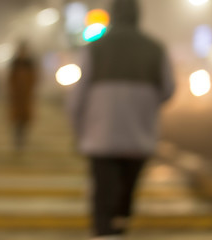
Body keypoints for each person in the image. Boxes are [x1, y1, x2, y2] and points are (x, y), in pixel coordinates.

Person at [67, 0, 175, 239]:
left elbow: (76, 98)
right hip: (139, 138)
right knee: (126, 197)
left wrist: (79, 133)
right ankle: (120, 227)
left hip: (100, 137)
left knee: (103, 198)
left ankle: (105, 231)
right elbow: (168, 89)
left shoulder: (95, 48)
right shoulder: (156, 48)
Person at [7, 41, 37, 150]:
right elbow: (10, 79)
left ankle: (22, 140)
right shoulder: (14, 63)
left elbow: (34, 79)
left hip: (26, 98)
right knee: (16, 121)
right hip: (16, 98)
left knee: (24, 121)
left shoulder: (30, 63)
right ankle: (17, 140)